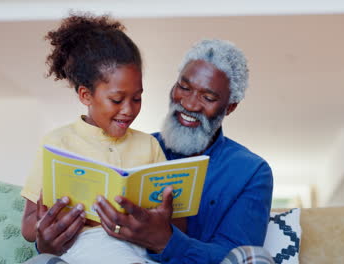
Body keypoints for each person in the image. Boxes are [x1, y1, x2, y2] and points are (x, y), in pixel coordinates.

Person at [92, 39, 274, 264]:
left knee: (255, 258)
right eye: (184, 87)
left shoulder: (251, 171)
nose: (189, 104)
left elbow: (236, 256)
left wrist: (166, 241)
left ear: (230, 107)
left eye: (207, 98)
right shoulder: (135, 146)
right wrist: (49, 241)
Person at [20, 13, 172, 264]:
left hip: (134, 253)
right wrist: (52, 220)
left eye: (137, 98)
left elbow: (176, 225)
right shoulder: (57, 143)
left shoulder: (149, 146)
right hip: (76, 254)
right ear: (85, 95)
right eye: (116, 99)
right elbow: (28, 226)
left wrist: (152, 219)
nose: (128, 109)